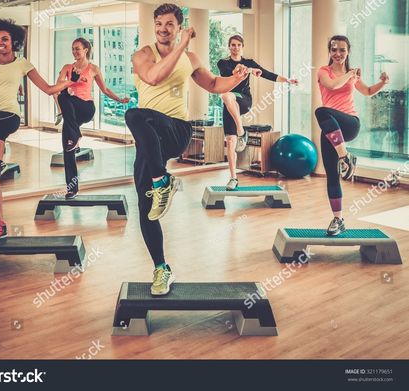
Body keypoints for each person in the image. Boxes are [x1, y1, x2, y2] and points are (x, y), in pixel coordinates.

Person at [125, 3, 249, 296]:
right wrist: (181, 45)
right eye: (159, 24)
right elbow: (153, 77)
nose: (163, 29)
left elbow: (215, 84)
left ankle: (162, 180)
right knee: (147, 209)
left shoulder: (189, 56)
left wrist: (237, 78)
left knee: (135, 115)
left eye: (169, 24)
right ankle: (161, 268)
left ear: (178, 27)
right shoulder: (142, 55)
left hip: (177, 130)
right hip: (149, 140)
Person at [0, 18, 77, 244]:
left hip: (9, 116)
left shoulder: (22, 64)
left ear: (14, 42)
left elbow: (48, 89)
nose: (1, 43)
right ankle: (0, 225)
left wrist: (68, 84)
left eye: (5, 39)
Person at [316, 35, 389, 236]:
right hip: (331, 131)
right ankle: (338, 219)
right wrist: (349, 74)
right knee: (332, 176)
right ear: (329, 51)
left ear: (348, 52)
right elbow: (331, 86)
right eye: (334, 50)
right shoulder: (324, 72)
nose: (338, 54)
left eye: (342, 50)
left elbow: (366, 91)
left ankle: (344, 157)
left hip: (349, 124)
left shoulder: (352, 75)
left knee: (321, 111)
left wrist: (382, 83)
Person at [218, 35, 298, 190]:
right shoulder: (223, 63)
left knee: (226, 95)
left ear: (242, 46)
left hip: (244, 101)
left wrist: (287, 80)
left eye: (238, 45)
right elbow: (230, 73)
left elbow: (268, 74)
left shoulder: (249, 62)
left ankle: (241, 130)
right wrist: (247, 70)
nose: (235, 48)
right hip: (230, 106)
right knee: (230, 143)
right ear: (229, 47)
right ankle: (233, 178)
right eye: (233, 45)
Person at [55, 38, 129, 199]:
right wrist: (71, 81)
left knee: (65, 102)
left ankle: (76, 135)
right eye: (72, 49)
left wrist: (120, 100)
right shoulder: (67, 68)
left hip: (86, 108)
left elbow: (105, 89)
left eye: (77, 49)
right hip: (71, 112)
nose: (74, 52)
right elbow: (57, 88)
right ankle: (72, 189)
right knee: (68, 150)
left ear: (86, 50)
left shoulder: (93, 69)